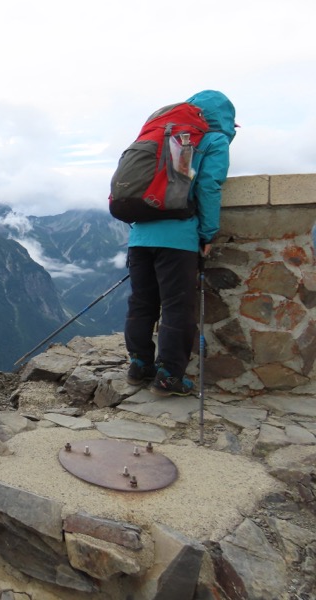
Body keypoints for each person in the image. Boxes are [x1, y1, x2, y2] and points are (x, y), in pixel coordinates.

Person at [125, 90, 238, 396]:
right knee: (177, 307)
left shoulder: (164, 135)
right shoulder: (212, 141)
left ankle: (138, 365)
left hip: (139, 234)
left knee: (142, 302)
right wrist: (207, 234)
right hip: (178, 238)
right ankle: (169, 377)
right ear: (225, 120)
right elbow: (209, 187)